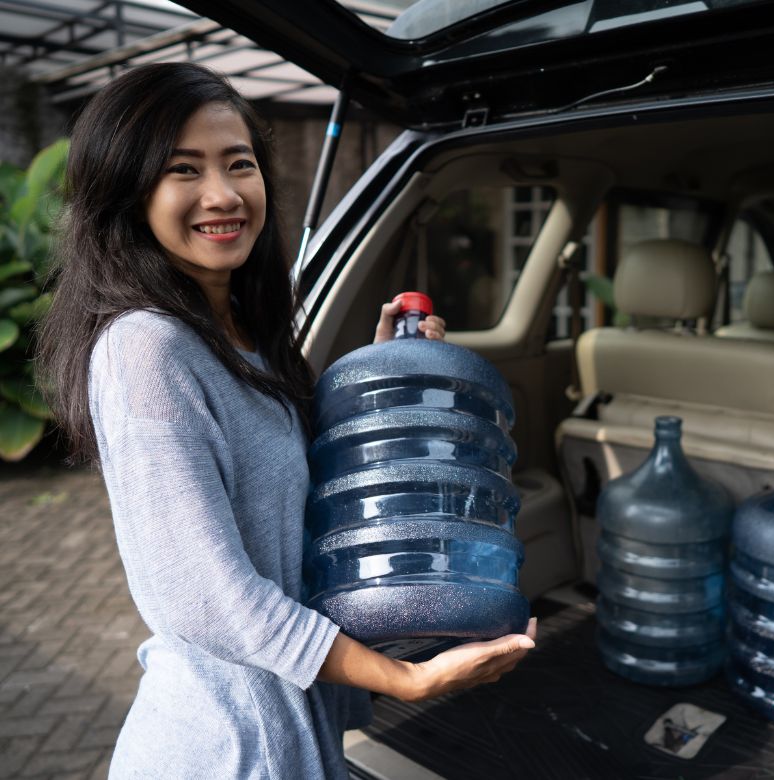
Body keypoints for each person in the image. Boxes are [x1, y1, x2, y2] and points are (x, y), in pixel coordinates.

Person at [36, 62, 537, 779]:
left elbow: (299, 484)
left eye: (238, 164)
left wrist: (382, 375)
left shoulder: (238, 333)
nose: (223, 194)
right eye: (185, 170)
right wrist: (405, 681)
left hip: (287, 720)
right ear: (127, 191)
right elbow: (204, 597)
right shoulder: (145, 349)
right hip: (225, 744)